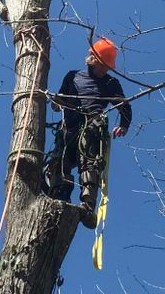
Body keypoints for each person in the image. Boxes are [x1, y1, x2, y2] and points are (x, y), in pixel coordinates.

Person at [46, 38, 132, 229]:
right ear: (92, 58)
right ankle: (59, 195)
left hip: (91, 125)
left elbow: (124, 106)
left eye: (107, 67)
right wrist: (56, 102)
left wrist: (124, 125)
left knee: (89, 161)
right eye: (103, 65)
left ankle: (87, 205)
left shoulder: (111, 83)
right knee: (60, 161)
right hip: (68, 127)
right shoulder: (73, 77)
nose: (105, 70)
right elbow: (60, 99)